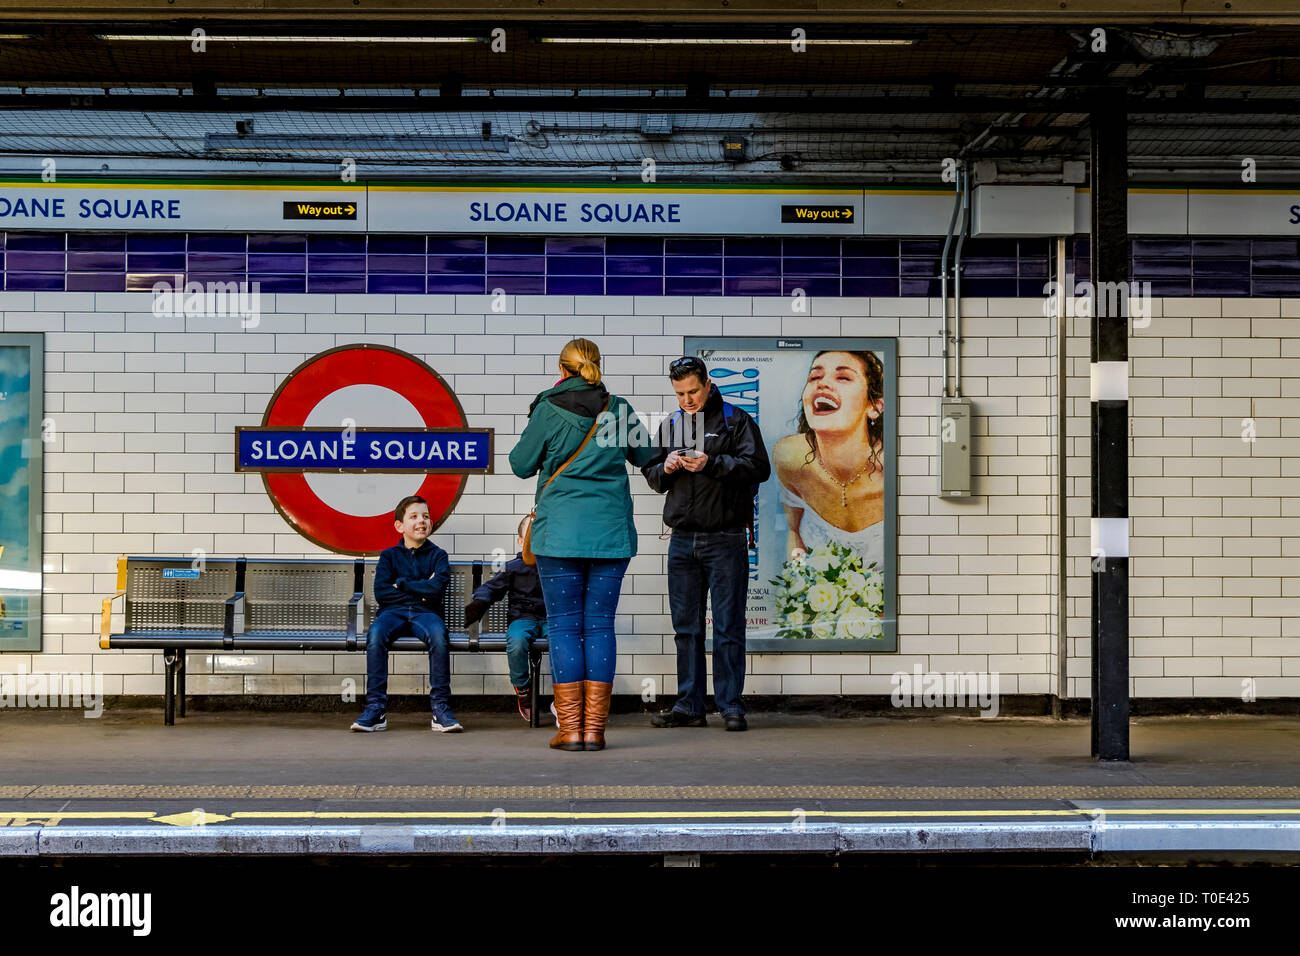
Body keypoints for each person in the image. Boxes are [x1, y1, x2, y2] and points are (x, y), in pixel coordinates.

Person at [509, 337, 654, 752]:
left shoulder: (548, 407)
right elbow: (646, 457)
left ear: (562, 369)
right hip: (610, 535)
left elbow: (520, 465)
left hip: (560, 537)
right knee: (599, 626)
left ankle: (571, 730)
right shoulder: (619, 408)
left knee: (565, 627)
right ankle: (596, 731)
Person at [642, 355, 771, 732]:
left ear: (708, 384)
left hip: (725, 538)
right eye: (680, 393)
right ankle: (689, 707)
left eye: (693, 391)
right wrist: (663, 468)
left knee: (729, 626)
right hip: (682, 541)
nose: (687, 399)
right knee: (687, 628)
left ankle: (731, 706)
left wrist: (711, 463)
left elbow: (758, 468)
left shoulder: (736, 420)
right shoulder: (670, 424)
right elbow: (651, 475)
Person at [350, 495, 463, 733]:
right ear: (399, 526)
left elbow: (436, 591)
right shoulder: (389, 556)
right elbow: (382, 592)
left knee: (440, 638)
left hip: (427, 613)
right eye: (414, 517)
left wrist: (401, 584)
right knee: (376, 635)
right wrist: (421, 588)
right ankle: (376, 709)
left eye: (426, 516)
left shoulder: (438, 555)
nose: (422, 521)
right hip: (392, 613)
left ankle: (440, 709)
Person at [773, 350, 885, 571]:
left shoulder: (893, 469)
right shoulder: (789, 457)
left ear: (874, 407)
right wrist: (802, 586)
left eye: (843, 377)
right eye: (815, 377)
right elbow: (793, 532)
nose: (822, 384)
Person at [464, 516, 547, 723]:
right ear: (521, 541)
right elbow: (491, 587)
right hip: (523, 618)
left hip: (551, 619)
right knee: (517, 642)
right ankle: (523, 688)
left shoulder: (556, 567)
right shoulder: (513, 567)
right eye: (530, 533)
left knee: (564, 643)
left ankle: (564, 695)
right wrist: (479, 603)